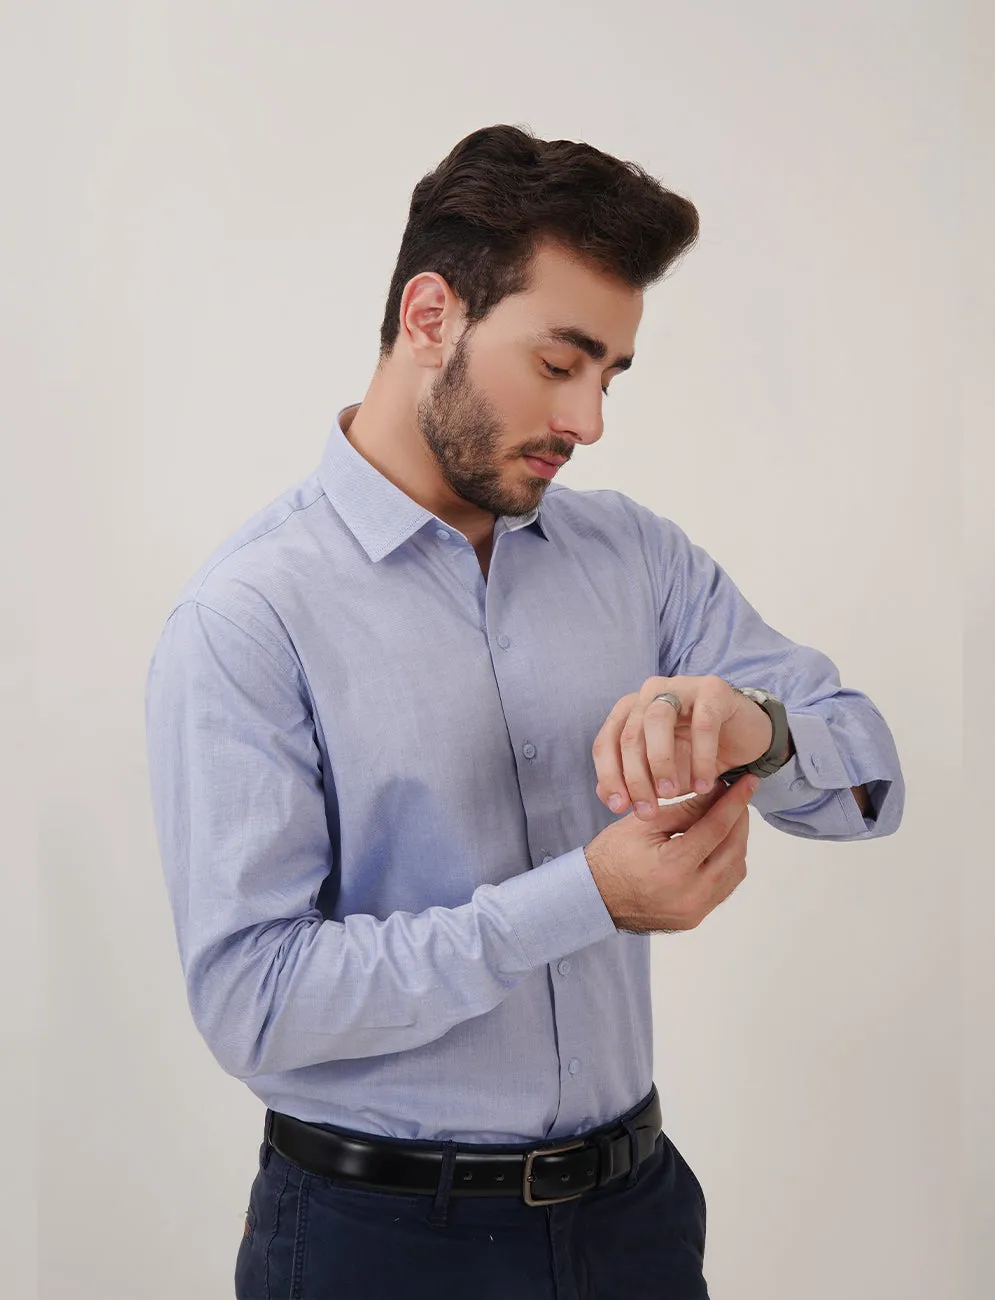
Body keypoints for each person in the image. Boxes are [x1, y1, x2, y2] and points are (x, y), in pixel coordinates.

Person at [143, 124, 904, 1299]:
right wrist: (582, 898)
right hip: (377, 1246)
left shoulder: (635, 558)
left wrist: (754, 724)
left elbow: (867, 778)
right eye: (561, 363)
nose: (590, 421)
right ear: (429, 315)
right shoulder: (250, 616)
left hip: (635, 1224)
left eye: (610, 375)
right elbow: (256, 1002)